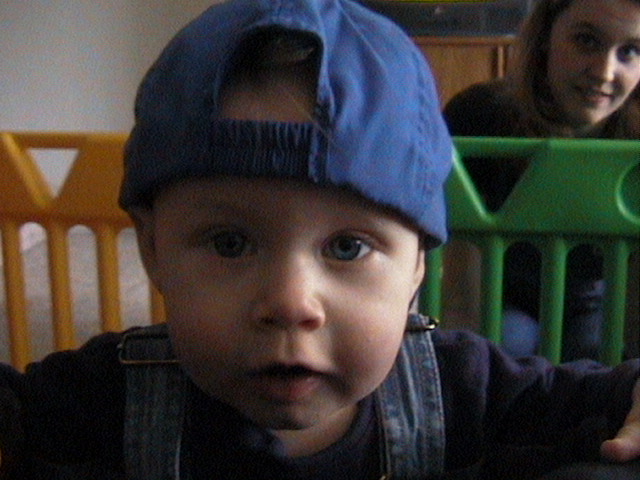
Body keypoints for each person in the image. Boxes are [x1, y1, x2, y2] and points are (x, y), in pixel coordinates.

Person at [1, 0, 640, 478]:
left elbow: (603, 398)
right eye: (229, 243)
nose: (290, 303)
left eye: (347, 247)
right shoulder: (94, 404)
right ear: (152, 250)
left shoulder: (467, 391)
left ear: (418, 265)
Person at [443, 0, 640, 360]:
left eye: (630, 51)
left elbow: (631, 320)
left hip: (595, 301)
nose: (604, 72)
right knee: (506, 341)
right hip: (501, 297)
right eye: (586, 41)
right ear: (547, 34)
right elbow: (461, 294)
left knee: (597, 353)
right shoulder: (480, 116)